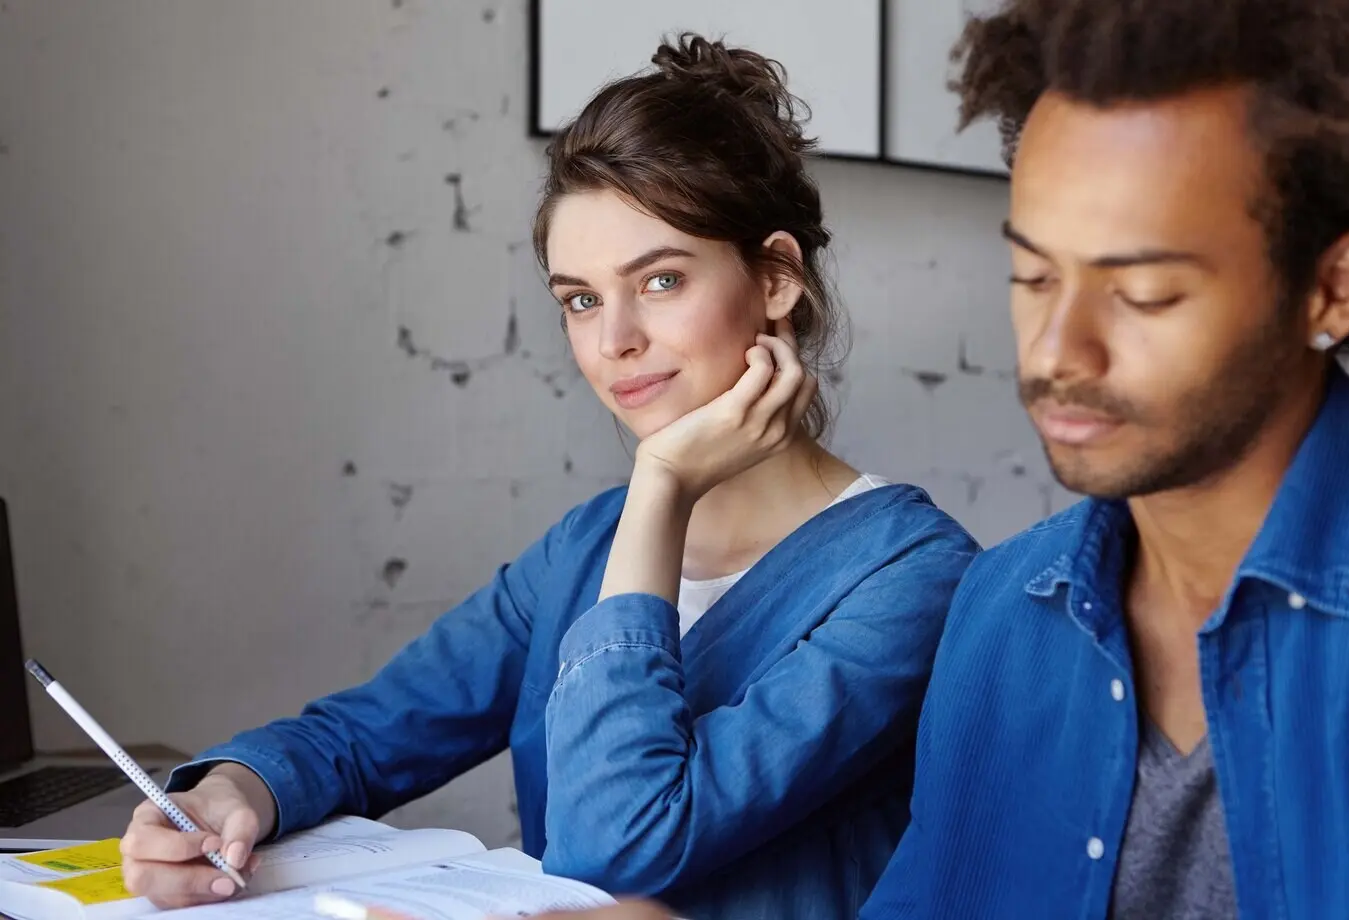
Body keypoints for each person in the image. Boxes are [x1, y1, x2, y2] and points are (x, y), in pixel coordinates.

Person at [117, 34, 979, 920]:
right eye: (581, 299)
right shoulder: (581, 551)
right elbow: (361, 734)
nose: (614, 342)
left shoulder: (914, 578)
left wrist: (661, 488)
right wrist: (235, 790)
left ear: (776, 278)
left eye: (662, 279)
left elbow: (624, 839)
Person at [853, 1, 1349, 918]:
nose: (1059, 351)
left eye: (1142, 293)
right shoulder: (1000, 614)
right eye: (1034, 277)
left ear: (1330, 290)